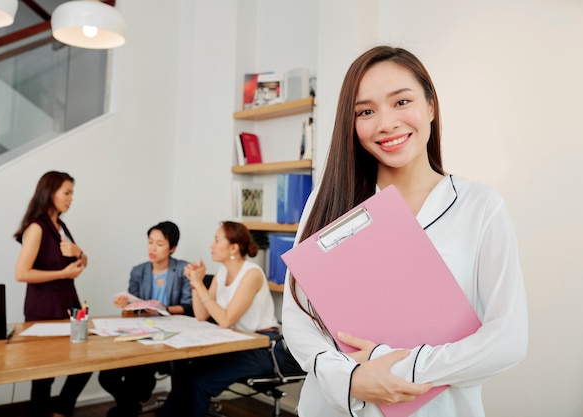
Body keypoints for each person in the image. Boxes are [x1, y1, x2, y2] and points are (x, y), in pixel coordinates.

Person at [282, 45, 528, 417]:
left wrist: (398, 367)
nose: (386, 123)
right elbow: (297, 317)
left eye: (401, 102)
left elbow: (508, 339)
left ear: (430, 105)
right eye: (366, 111)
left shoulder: (480, 206)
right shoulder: (329, 200)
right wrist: (350, 380)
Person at [159, 221, 282, 417]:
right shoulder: (222, 272)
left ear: (233, 247)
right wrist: (195, 283)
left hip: (263, 349)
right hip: (237, 344)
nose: (211, 245)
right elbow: (201, 315)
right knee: (184, 373)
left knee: (202, 383)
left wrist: (199, 285)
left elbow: (225, 320)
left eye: (217, 240)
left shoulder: (252, 274)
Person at [13, 171, 91, 417]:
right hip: (44, 308)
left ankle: (61, 410)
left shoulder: (61, 225)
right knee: (43, 375)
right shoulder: (37, 228)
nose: (71, 199)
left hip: (70, 304)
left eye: (72, 193)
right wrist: (63, 274)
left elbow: (81, 263)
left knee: (85, 363)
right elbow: (21, 273)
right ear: (50, 193)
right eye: (67, 193)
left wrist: (80, 252)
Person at [98, 221, 192, 417]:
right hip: (143, 332)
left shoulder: (183, 270)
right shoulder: (138, 271)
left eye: (159, 244)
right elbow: (133, 308)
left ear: (172, 248)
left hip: (174, 335)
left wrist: (162, 309)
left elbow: (188, 306)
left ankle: (128, 407)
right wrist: (126, 305)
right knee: (107, 375)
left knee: (138, 373)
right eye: (150, 242)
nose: (152, 248)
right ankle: (131, 405)